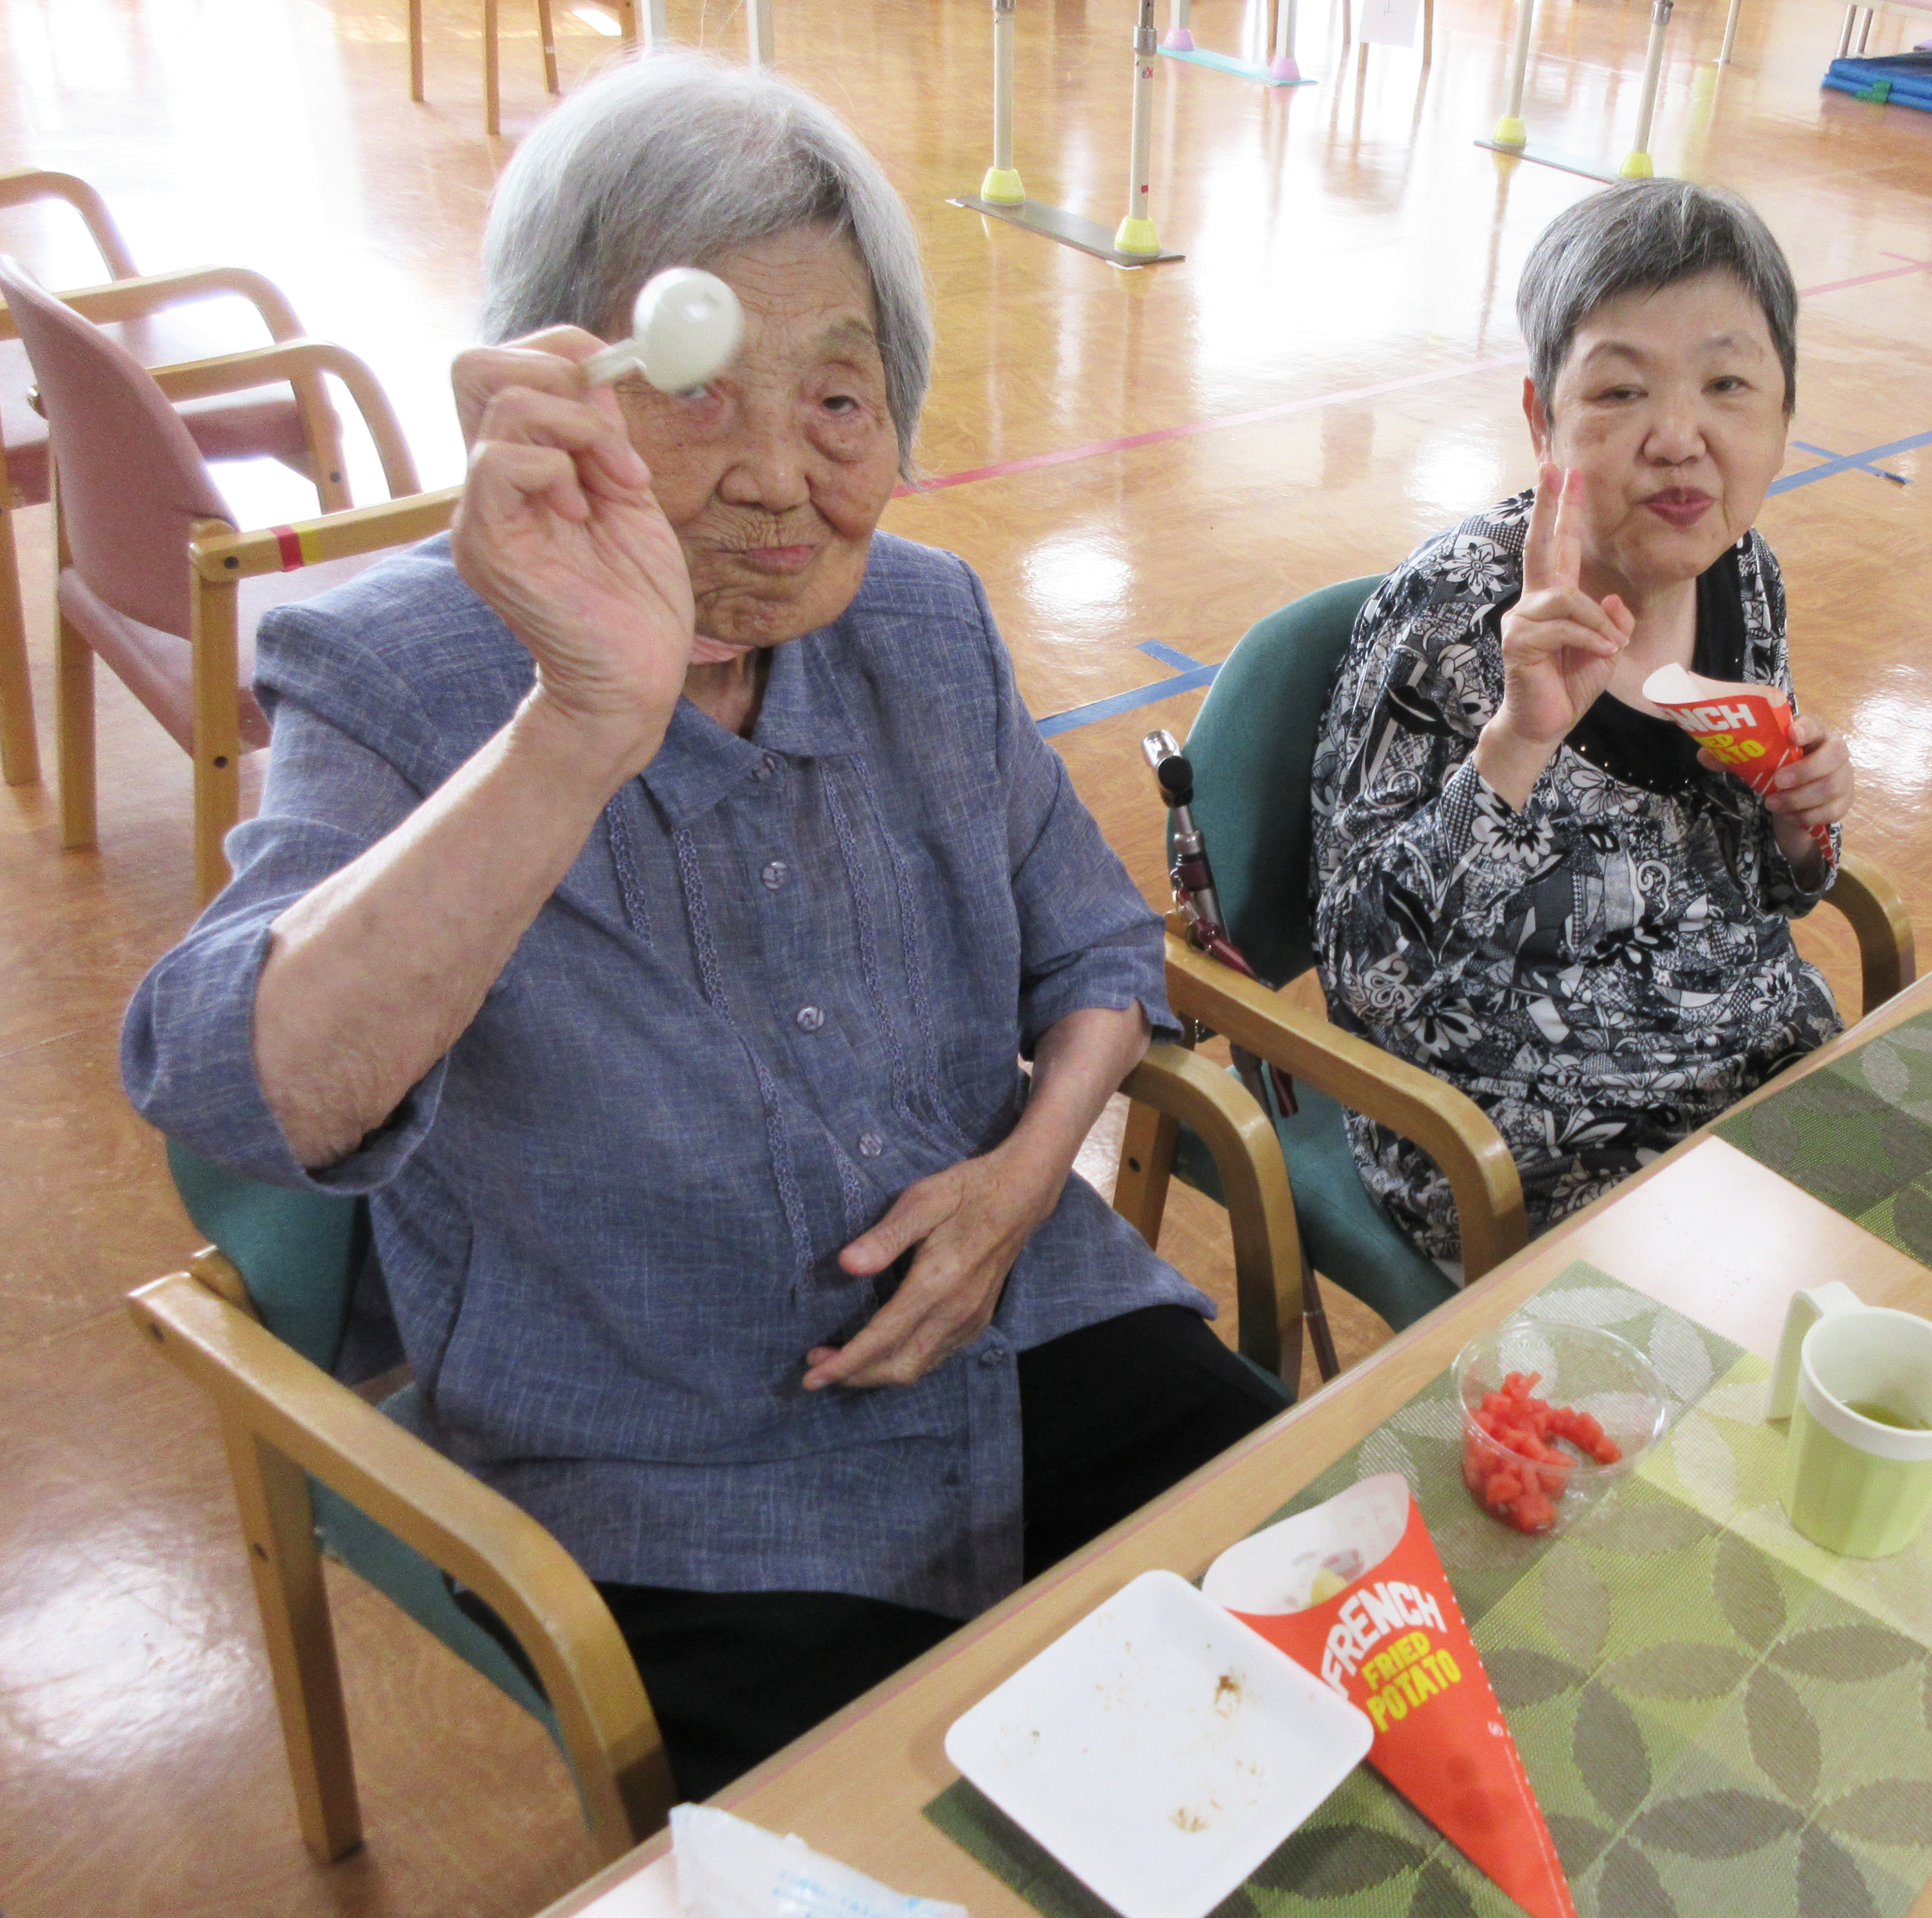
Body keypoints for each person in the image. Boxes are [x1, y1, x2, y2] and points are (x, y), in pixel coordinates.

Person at [122, 55, 1279, 1801]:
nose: (774, 478)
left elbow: (1100, 949)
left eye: (840, 399)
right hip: (673, 1461)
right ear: (553, 387)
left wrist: (1021, 1179)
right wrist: (579, 719)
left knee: (1334, 1648)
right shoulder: (394, 672)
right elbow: (242, 1087)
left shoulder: (924, 623)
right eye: (690, 390)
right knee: (918, 1871)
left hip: (1024, 1322)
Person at [1311, 179, 1857, 1267]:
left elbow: (1766, 889)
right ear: (1541, 419)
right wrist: (1515, 745)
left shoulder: (1743, 575)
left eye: (1728, 384)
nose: (1678, 438)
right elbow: (1362, 983)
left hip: (1756, 1076)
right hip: (1521, 1141)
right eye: (1619, 391)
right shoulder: (1452, 619)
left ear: (1784, 414)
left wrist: (1803, 827)